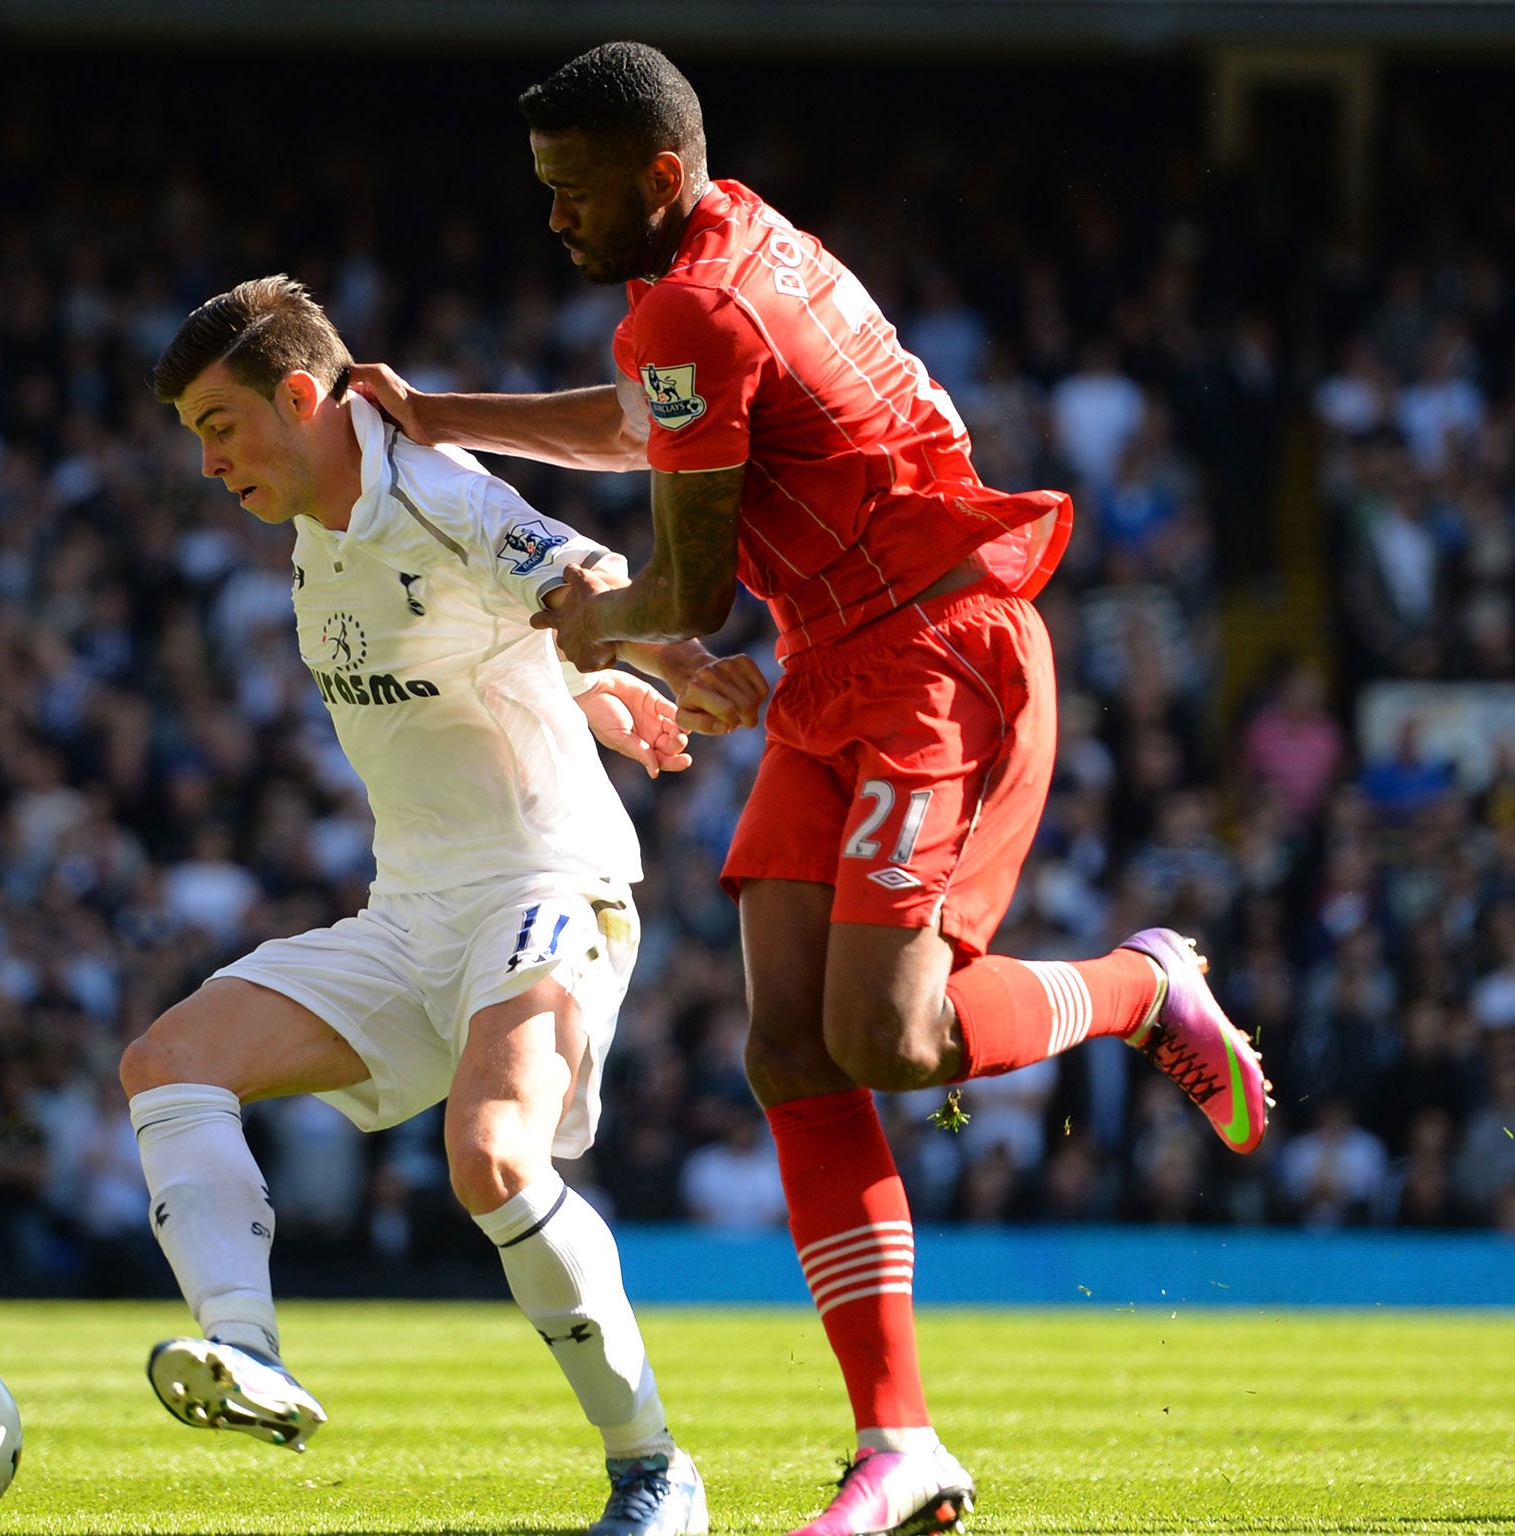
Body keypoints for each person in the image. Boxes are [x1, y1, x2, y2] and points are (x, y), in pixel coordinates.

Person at [351, 41, 1273, 1536]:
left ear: (659, 174)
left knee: (891, 1037)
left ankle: (1140, 985)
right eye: (543, 191)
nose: (553, 220)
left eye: (574, 191)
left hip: (935, 661)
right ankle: (899, 1442)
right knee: (791, 1049)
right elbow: (648, 420)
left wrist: (575, 620)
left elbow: (693, 593)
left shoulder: (698, 302)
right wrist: (443, 418)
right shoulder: (722, 254)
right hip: (839, 667)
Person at [122, 275, 763, 1536]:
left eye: (217, 426)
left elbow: (581, 575)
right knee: (167, 1064)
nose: (208, 465)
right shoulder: (314, 515)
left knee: (490, 1158)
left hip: (542, 882)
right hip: (411, 911)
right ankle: (247, 1351)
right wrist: (583, 698)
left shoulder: (434, 490)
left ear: (300, 399)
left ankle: (653, 1470)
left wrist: (661, 666)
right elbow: (474, 644)